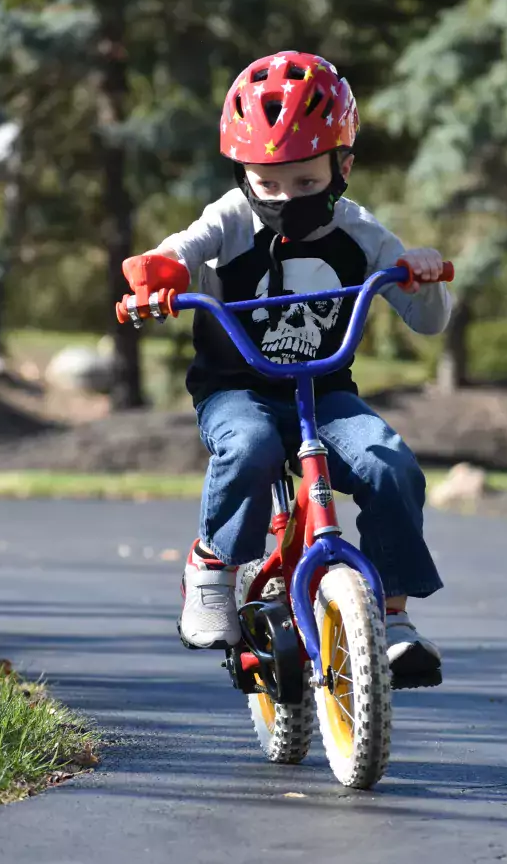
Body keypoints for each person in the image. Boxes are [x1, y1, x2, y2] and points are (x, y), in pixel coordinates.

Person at [124, 50, 451, 682]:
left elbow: (428, 319)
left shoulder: (360, 232)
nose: (285, 198)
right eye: (268, 183)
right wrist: (158, 273)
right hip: (236, 387)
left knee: (392, 465)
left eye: (306, 182)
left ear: (342, 167)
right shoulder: (230, 217)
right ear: (244, 173)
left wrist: (425, 274)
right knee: (247, 447)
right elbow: (180, 249)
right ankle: (213, 565)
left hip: (324, 390)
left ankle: (391, 612)